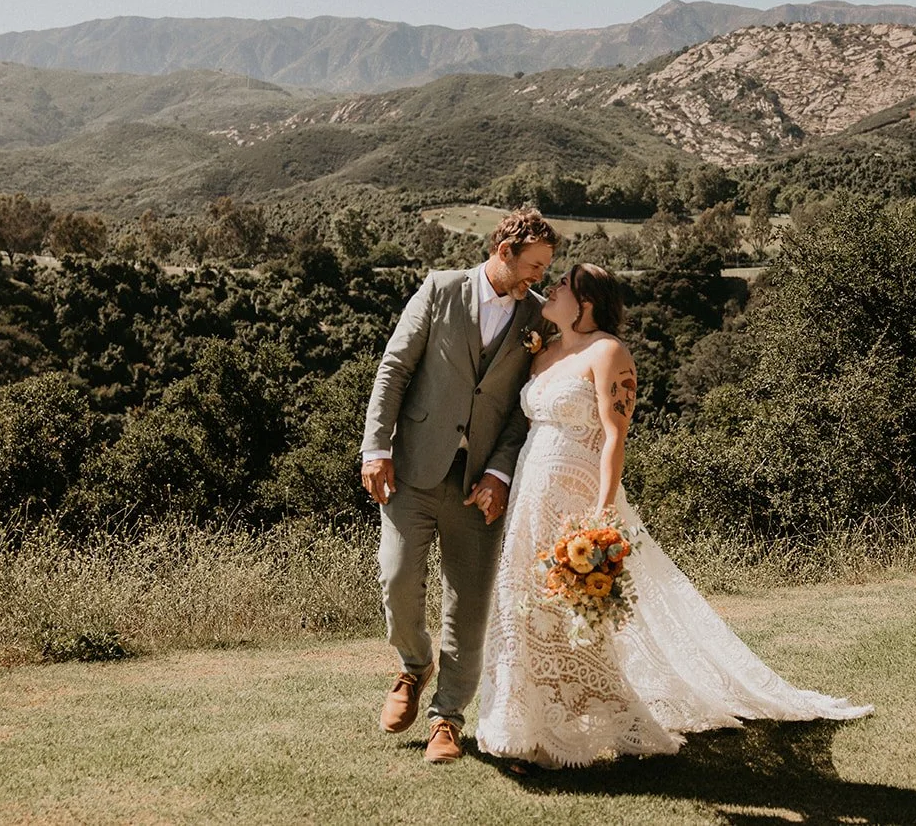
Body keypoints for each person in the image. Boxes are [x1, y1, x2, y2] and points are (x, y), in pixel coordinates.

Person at [476, 263, 872, 769]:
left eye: (561, 286)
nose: (550, 290)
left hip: (576, 498)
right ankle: (520, 722)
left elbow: (614, 436)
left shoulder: (608, 351)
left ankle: (574, 724)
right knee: (524, 603)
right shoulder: (546, 352)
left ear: (586, 303)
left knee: (574, 611)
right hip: (533, 489)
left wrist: (601, 510)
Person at [361, 208, 558, 763]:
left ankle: (446, 717)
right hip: (414, 468)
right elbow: (394, 368)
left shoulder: (539, 319)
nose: (539, 277)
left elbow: (526, 408)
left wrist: (499, 470)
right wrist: (376, 448)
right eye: (534, 265)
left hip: (480, 486)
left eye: (546, 267)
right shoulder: (440, 289)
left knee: (467, 606)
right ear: (504, 251)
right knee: (398, 581)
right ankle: (413, 665)